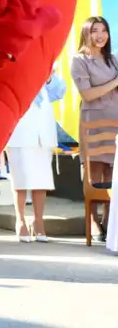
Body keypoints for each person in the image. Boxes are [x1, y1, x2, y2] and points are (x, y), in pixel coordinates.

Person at [71, 16, 117, 242]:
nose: (101, 35)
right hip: (92, 123)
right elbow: (87, 94)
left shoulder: (114, 60)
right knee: (93, 173)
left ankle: (110, 221)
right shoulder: (79, 60)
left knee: (112, 174)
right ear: (86, 34)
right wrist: (114, 83)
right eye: (95, 31)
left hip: (115, 122)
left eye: (104, 30)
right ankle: (92, 221)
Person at [6, 70, 66, 242]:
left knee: (42, 178)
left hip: (43, 128)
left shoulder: (47, 61)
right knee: (21, 176)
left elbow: (59, 91)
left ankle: (39, 221)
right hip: (21, 126)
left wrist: (48, 78)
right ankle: (21, 220)